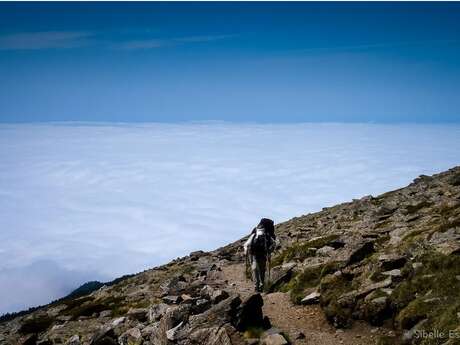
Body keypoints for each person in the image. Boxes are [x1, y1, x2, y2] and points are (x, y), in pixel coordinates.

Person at [243, 218, 276, 292]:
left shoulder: (260, 232)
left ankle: (259, 286)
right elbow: (274, 243)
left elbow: (248, 242)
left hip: (256, 253)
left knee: (257, 270)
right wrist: (270, 251)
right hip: (258, 254)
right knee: (258, 269)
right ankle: (258, 286)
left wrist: (246, 250)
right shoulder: (266, 233)